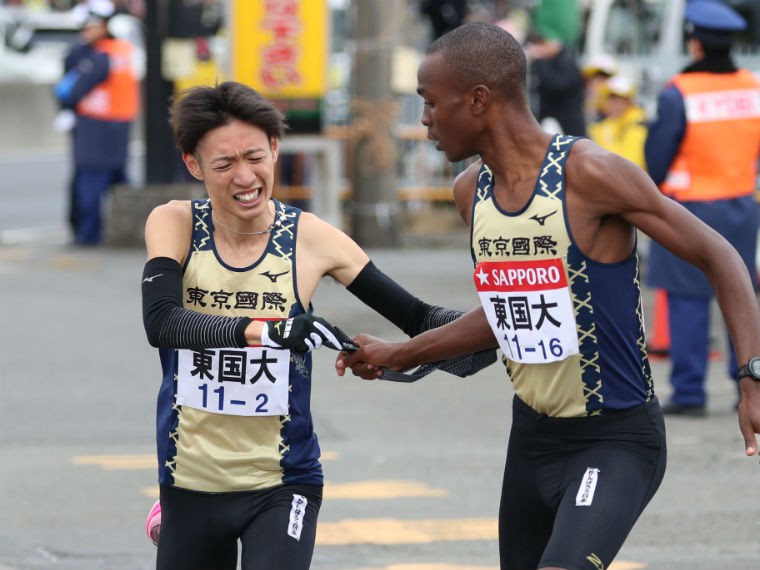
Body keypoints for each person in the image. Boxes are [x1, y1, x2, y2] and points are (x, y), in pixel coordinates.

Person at [337, 21, 760, 570]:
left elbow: (721, 256)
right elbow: (504, 317)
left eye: (430, 103)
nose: (423, 121)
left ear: (479, 100)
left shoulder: (591, 173)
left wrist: (750, 373)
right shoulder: (471, 192)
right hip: (531, 443)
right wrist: (397, 354)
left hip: (616, 438)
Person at [141, 80, 492, 569]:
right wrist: (271, 331)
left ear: (275, 148)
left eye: (255, 157)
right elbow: (161, 322)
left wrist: (493, 330)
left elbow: (419, 318)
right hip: (189, 481)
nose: (245, 177)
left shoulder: (312, 239)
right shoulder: (176, 222)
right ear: (194, 165)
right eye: (224, 164)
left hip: (283, 482)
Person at [645, 0, 760, 416]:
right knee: (739, 294)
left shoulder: (680, 92)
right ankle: (746, 384)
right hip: (742, 208)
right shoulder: (753, 88)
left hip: (690, 212)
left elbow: (656, 158)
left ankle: (690, 393)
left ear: (695, 45)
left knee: (689, 299)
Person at [54, 0, 139, 245]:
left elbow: (71, 90)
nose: (85, 33)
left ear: (103, 25)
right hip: (118, 126)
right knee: (118, 180)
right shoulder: (123, 49)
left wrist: (66, 107)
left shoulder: (100, 56)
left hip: (96, 127)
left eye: (89, 27)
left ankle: (87, 235)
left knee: (90, 184)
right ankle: (128, 230)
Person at [524, 0, 587, 137]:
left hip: (569, 128)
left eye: (543, 42)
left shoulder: (567, 60)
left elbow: (557, 84)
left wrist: (540, 60)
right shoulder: (548, 60)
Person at [588, 74, 648, 170]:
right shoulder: (604, 126)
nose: (614, 104)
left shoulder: (637, 126)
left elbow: (630, 165)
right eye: (610, 99)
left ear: (630, 101)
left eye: (620, 99)